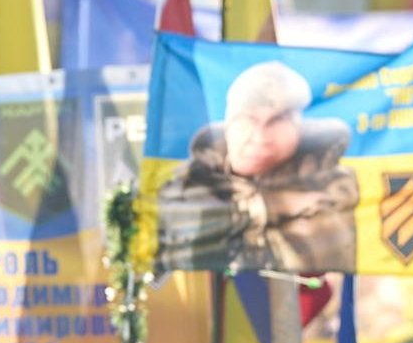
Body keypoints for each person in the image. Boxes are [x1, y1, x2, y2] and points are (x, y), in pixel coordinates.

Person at [153, 61, 359, 273]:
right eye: (248, 119)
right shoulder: (188, 180)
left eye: (277, 121)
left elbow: (315, 250)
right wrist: (273, 206)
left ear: (298, 129)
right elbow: (175, 226)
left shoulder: (330, 183)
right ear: (228, 126)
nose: (260, 137)